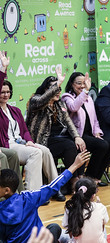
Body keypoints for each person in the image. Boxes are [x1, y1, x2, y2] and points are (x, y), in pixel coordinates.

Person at [0, 151, 91, 243]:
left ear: (7, 190)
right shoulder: (29, 198)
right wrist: (75, 165)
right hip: (39, 241)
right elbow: (53, 186)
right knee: (54, 228)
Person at [26, 67, 86, 197]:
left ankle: (79, 179)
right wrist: (58, 83)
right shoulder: (35, 101)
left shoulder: (60, 104)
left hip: (57, 139)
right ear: (46, 90)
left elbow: (69, 122)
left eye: (59, 88)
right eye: (54, 88)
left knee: (79, 144)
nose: (58, 91)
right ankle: (73, 181)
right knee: (68, 145)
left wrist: (77, 136)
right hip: (41, 141)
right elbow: (42, 100)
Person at [1, 76, 59, 193]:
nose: (6, 95)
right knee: (35, 152)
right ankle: (32, 192)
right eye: (2, 92)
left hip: (21, 143)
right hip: (8, 145)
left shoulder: (15, 110)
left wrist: (29, 141)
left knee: (45, 151)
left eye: (8, 92)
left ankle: (56, 186)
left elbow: (24, 130)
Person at [62, 72, 110, 186]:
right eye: (79, 83)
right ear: (72, 84)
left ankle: (96, 176)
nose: (82, 86)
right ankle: (89, 178)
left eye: (84, 83)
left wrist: (97, 132)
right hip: (76, 135)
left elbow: (95, 119)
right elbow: (74, 107)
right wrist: (85, 91)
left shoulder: (88, 99)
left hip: (89, 134)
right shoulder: (67, 97)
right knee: (102, 146)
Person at [61, 177, 109, 243]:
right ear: (93, 195)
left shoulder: (70, 208)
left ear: (75, 192)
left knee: (61, 233)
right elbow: (102, 229)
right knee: (102, 225)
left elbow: (71, 234)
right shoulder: (101, 207)